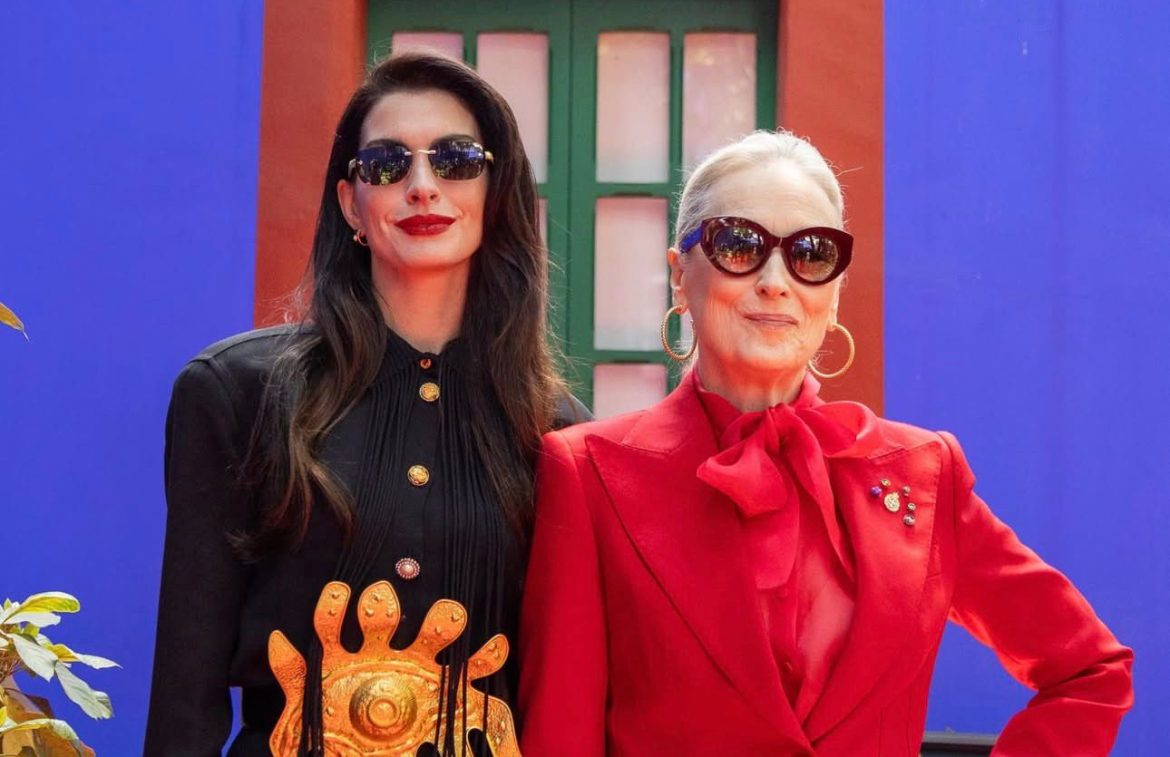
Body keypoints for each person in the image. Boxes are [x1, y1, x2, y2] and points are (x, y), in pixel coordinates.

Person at [517, 130, 1133, 756]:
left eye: (811, 254)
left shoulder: (928, 474)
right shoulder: (587, 474)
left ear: (834, 291)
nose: (776, 281)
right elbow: (559, 738)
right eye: (739, 245)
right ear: (680, 275)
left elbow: (1091, 670)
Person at [145, 51, 585, 756]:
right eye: (387, 164)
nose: (422, 187)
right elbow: (183, 698)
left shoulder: (556, 434)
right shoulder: (235, 393)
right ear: (352, 203)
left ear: (495, 191)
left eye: (456, 160)